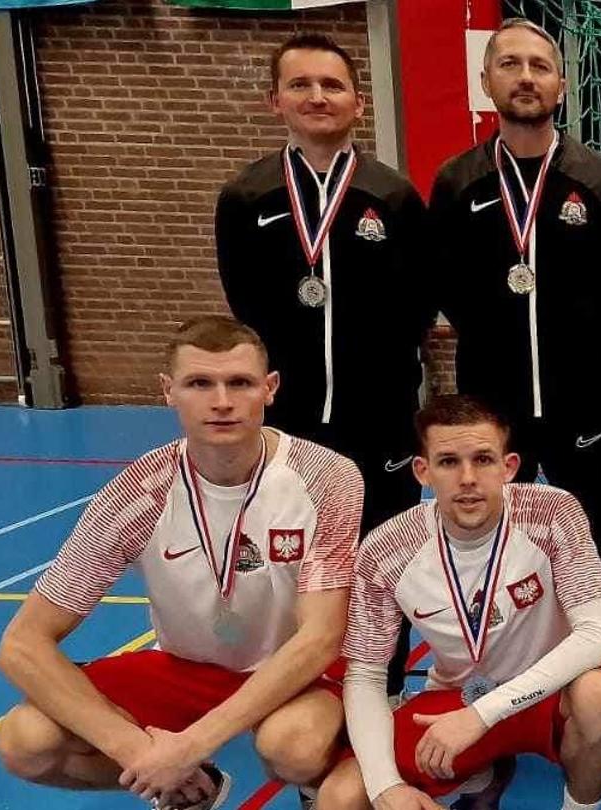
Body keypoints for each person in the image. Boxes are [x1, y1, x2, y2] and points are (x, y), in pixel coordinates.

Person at [0, 316, 361, 809]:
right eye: (199, 383)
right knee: (25, 743)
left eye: (240, 383)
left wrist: (188, 744)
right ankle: (192, 787)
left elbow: (320, 637)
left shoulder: (327, 477)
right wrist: (138, 750)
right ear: (168, 391)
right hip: (188, 667)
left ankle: (315, 787)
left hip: (298, 672)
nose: (222, 401)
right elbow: (21, 644)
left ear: (270, 388)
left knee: (293, 747)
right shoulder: (138, 491)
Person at [318, 396, 601, 810]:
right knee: (341, 796)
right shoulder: (385, 548)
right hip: (457, 699)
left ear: (508, 467)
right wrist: (386, 787)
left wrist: (482, 715)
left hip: (551, 693)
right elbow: (366, 676)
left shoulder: (553, 512)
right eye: (448, 462)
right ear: (422, 471)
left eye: (483, 459)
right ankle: (485, 773)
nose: (467, 478)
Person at [432, 18, 601, 595]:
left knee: (589, 532)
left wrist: (575, 346)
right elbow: (446, 283)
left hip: (581, 396)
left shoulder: (600, 178)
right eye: (510, 64)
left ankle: (594, 644)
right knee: (491, 534)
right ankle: (495, 637)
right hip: (491, 401)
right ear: (486, 80)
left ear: (561, 84)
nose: (526, 77)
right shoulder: (457, 182)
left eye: (540, 66)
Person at [214, 33, 430, 556]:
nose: (317, 97)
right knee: (287, 554)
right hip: (285, 416)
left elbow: (419, 303)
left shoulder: (393, 195)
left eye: (332, 85)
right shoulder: (246, 197)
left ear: (358, 103)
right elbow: (244, 303)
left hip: (381, 416)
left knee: (385, 555)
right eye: (300, 85)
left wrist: (384, 374)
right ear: (275, 100)